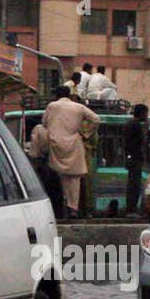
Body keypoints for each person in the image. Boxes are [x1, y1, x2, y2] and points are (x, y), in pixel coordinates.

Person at [43, 85, 99, 219]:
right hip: (74, 145)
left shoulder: (52, 106)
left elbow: (44, 123)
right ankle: (73, 208)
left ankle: (60, 207)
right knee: (74, 179)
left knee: (58, 177)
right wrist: (85, 133)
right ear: (69, 95)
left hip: (55, 146)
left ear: (57, 95)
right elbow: (96, 119)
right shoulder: (79, 107)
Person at [26, 121, 63, 218]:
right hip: (59, 164)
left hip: (43, 164)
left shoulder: (38, 129)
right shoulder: (62, 128)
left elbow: (34, 149)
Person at [123, 104, 150, 214]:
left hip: (131, 158)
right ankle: (131, 209)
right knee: (134, 185)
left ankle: (131, 208)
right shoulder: (135, 125)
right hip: (135, 158)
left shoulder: (130, 124)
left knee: (133, 184)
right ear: (142, 113)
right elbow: (142, 141)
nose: (147, 116)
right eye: (146, 113)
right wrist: (146, 128)